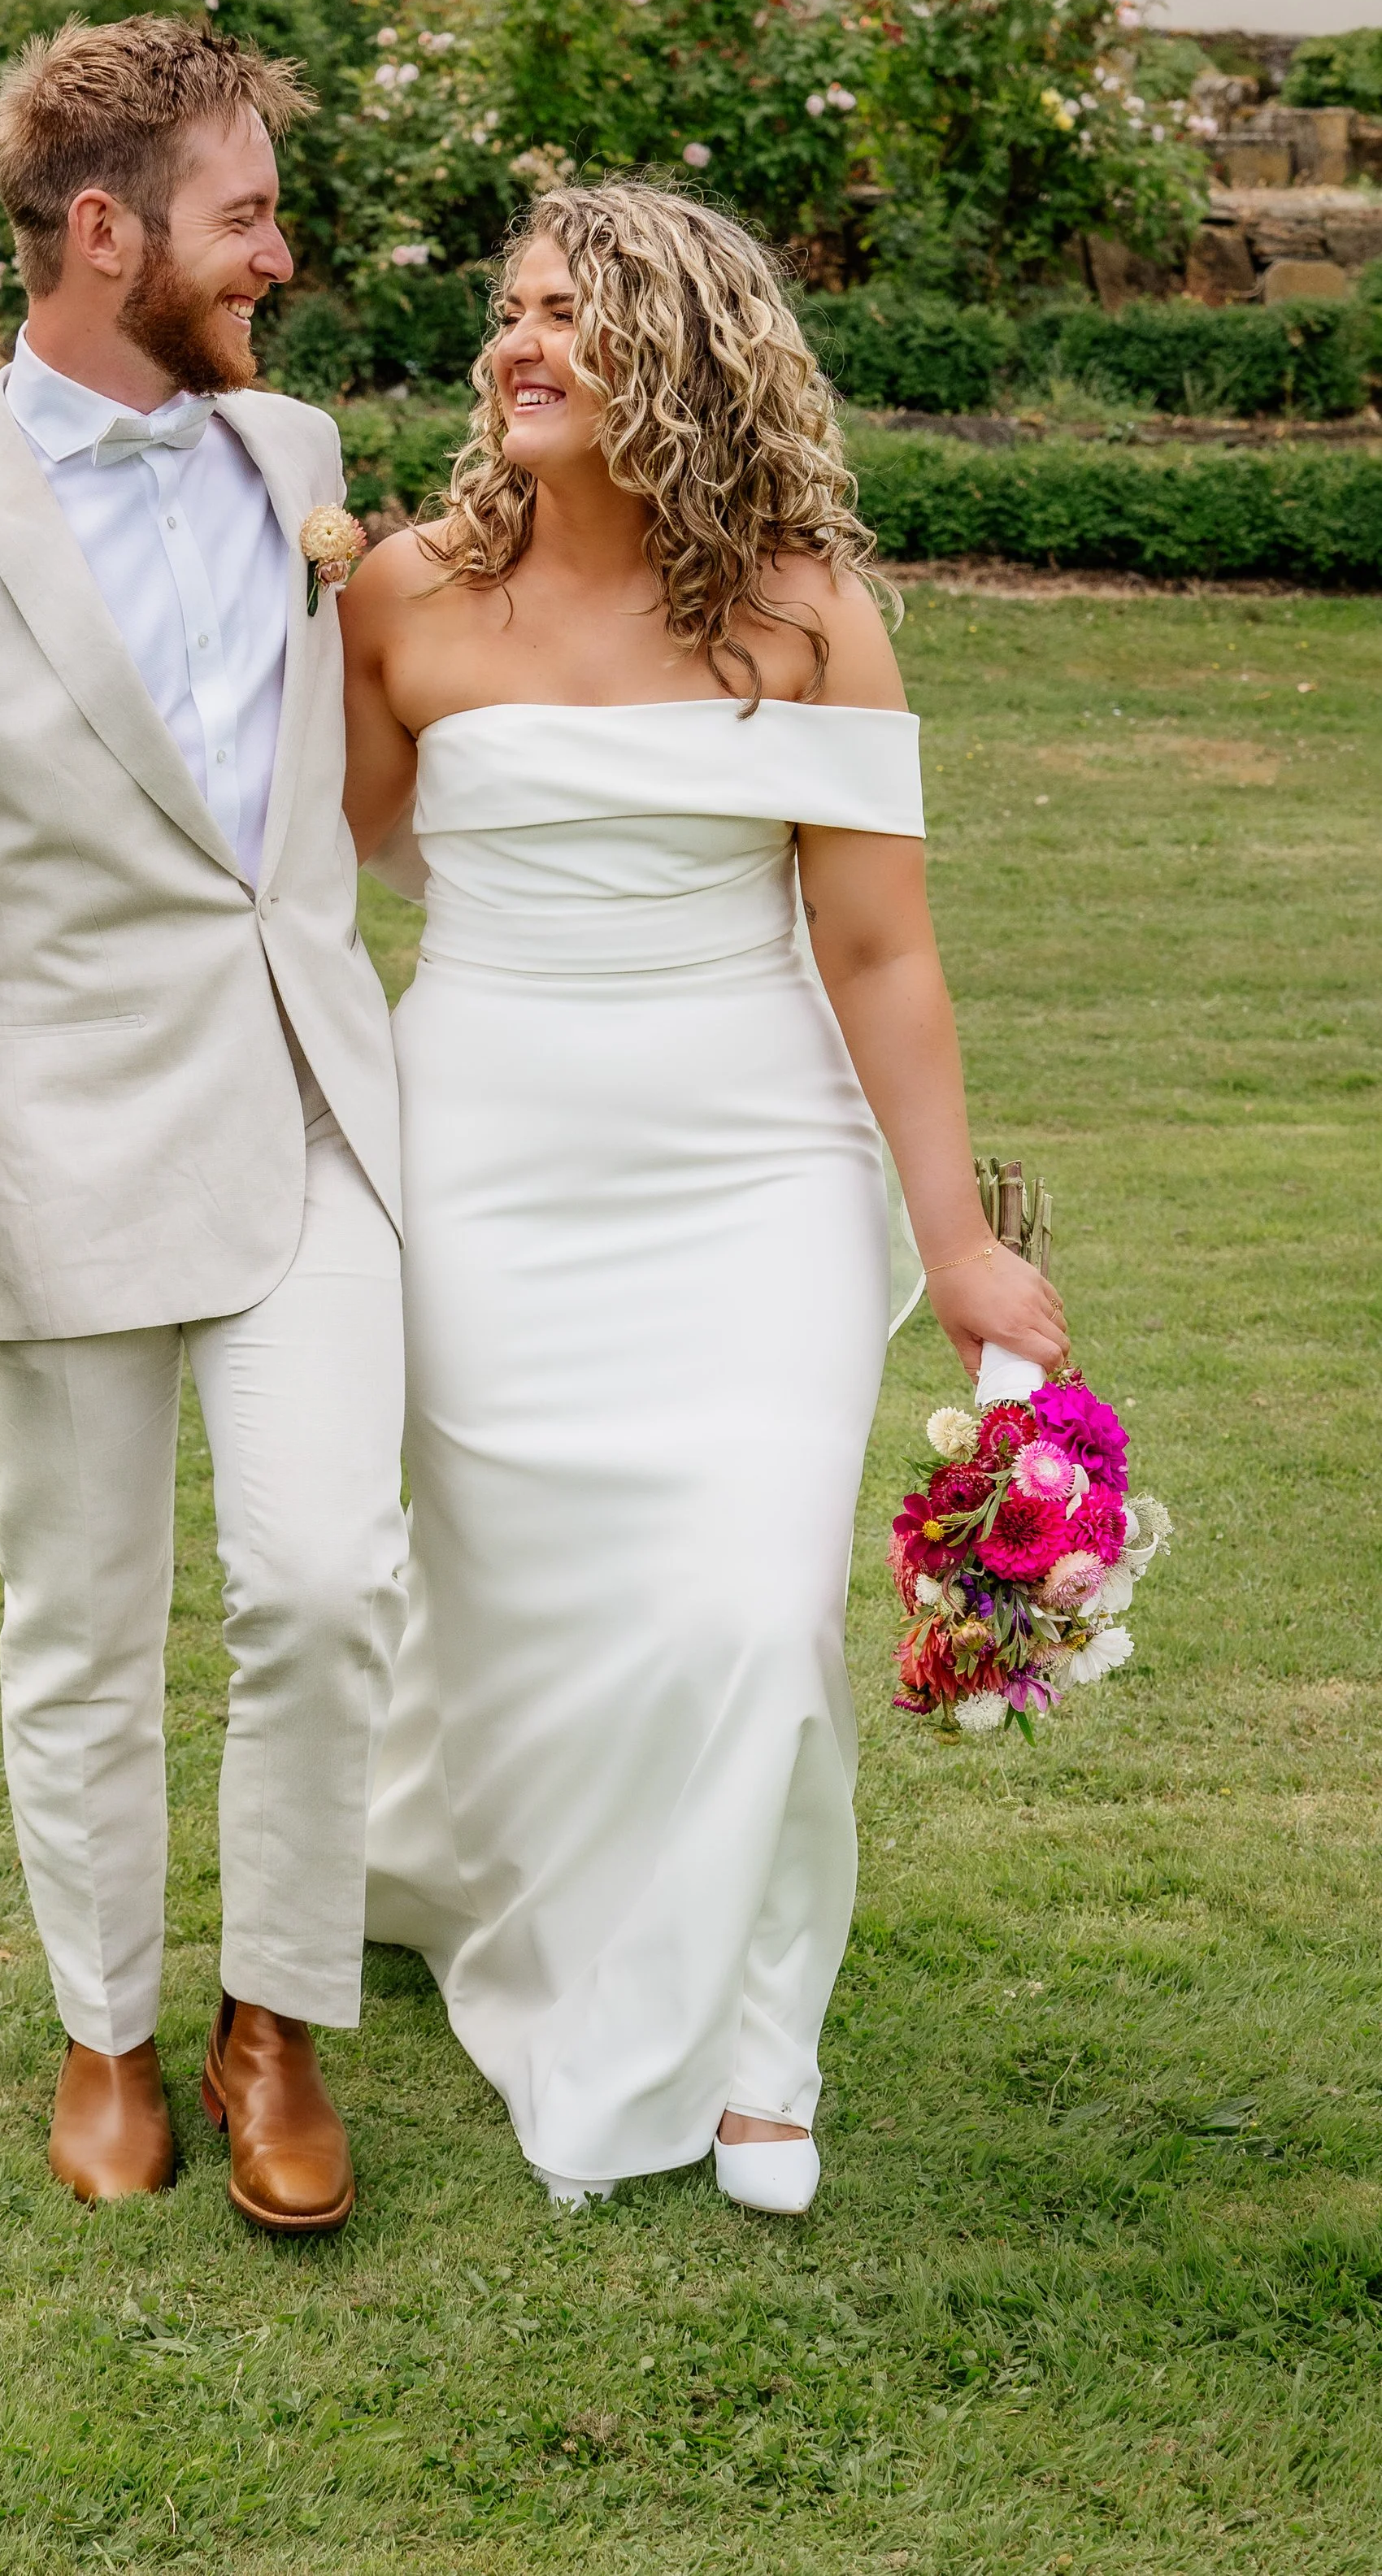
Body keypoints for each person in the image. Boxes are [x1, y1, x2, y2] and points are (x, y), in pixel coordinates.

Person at [341, 181, 1067, 2215]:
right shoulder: (393, 597)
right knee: (527, 1605)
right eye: (505, 310)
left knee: (752, 1615)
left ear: (678, 346)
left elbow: (875, 953)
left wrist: (957, 1247)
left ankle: (759, 2042)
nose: (519, 342)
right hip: (480, 1158)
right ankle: (520, 1889)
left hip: (755, 1162)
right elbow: (296, 882)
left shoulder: (805, 611)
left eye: (567, 310)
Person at [0, 17, 408, 2236]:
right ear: (100, 229)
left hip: (322, 1115)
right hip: (50, 1159)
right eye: (241, 214)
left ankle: (279, 2014)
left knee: (329, 1577)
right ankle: (102, 2024)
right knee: (77, 1619)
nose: (278, 251)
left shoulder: (298, 449)